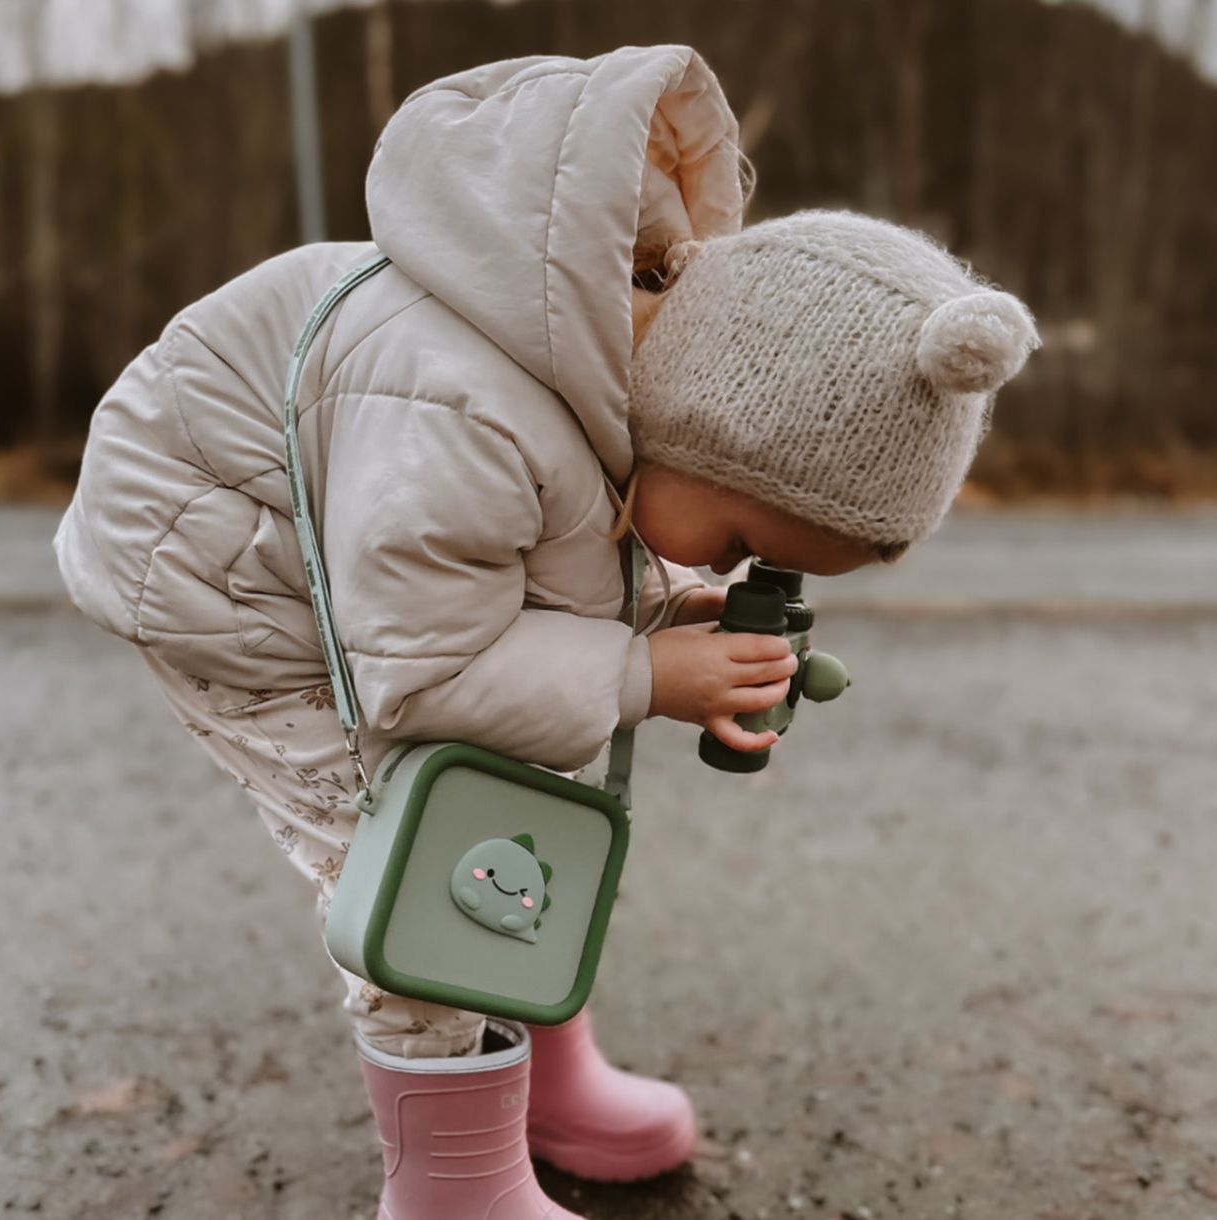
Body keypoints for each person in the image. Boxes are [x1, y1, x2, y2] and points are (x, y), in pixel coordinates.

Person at [54, 44, 1038, 1220]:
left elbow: (549, 564)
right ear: (709, 429)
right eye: (730, 542)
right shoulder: (468, 410)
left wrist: (666, 610)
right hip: (233, 584)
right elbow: (428, 672)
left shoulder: (609, 377)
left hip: (383, 578)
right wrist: (638, 666)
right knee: (416, 850)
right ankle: (451, 1189)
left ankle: (538, 1080)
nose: (718, 565)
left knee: (521, 795)